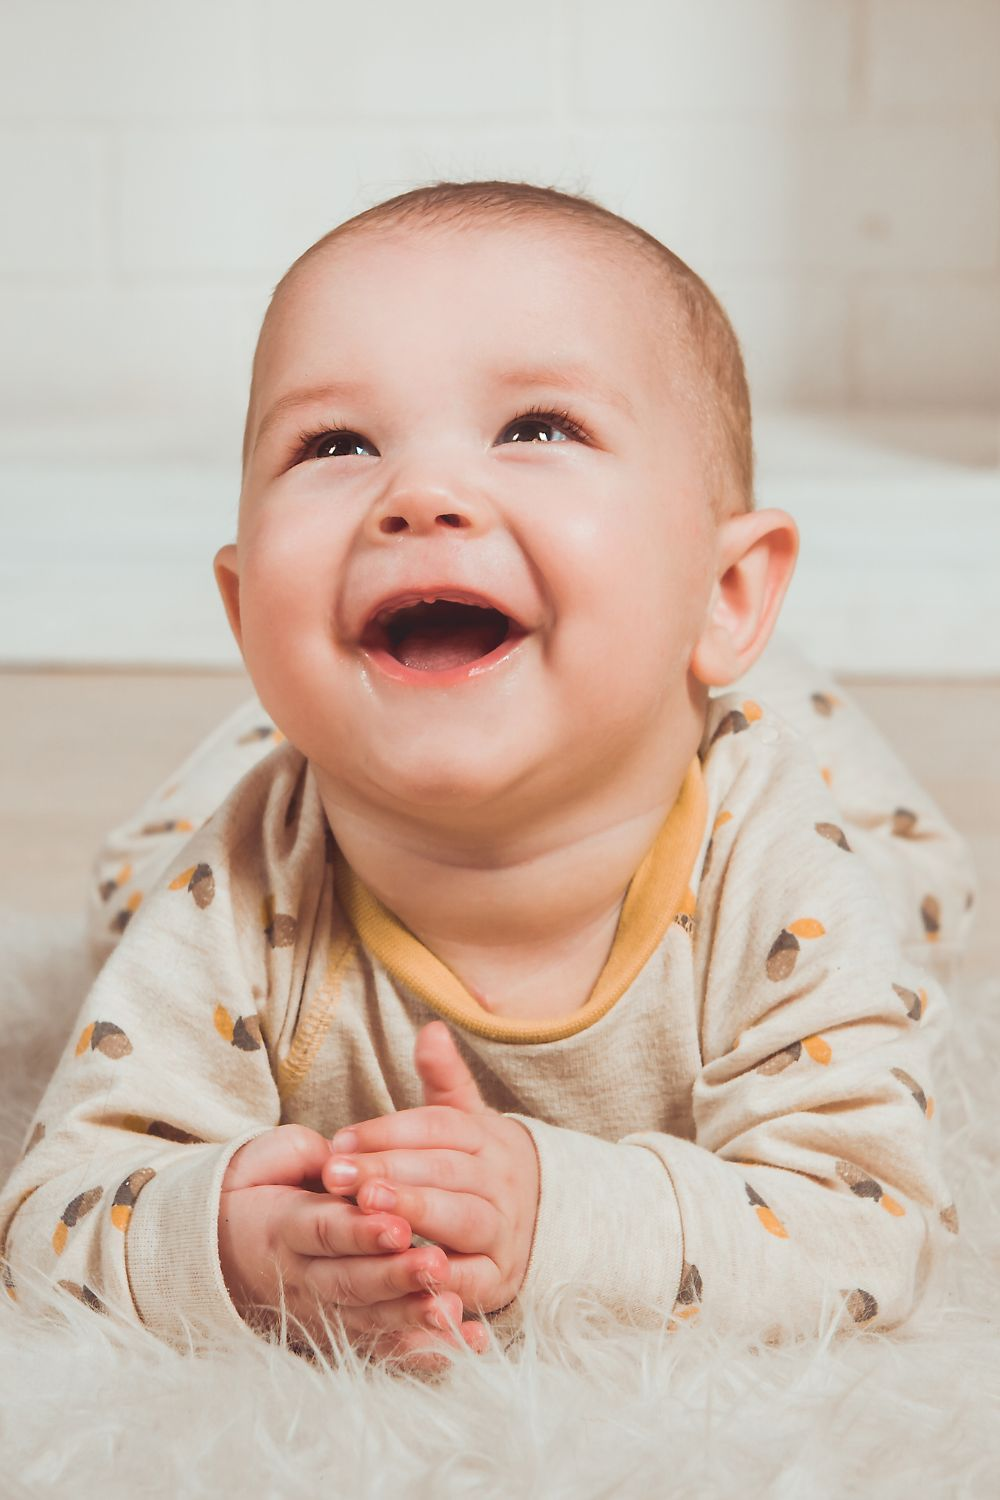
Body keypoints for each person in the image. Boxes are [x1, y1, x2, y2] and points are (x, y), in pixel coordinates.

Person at [0, 181, 977, 1371]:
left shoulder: (775, 864)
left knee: (920, 892)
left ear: (725, 594)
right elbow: (57, 1210)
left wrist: (554, 1215)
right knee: (138, 880)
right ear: (247, 611)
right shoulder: (245, 883)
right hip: (303, 740)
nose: (418, 497)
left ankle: (755, 669)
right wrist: (230, 1245)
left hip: (788, 760)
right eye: (336, 445)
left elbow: (871, 1231)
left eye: (537, 429)